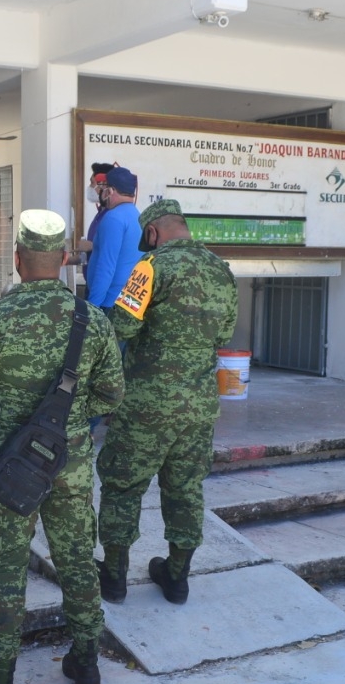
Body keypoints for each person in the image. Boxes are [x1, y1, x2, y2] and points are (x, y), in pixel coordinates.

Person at [0, 209, 124, 684]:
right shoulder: (92, 320)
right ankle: (86, 661)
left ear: (18, 260)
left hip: (11, 469)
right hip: (69, 465)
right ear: (66, 259)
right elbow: (112, 394)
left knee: (7, 571)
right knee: (76, 562)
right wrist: (71, 425)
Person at [96, 199, 238, 605]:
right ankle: (177, 578)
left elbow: (122, 324)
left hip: (145, 406)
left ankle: (115, 576)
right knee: (185, 490)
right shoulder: (222, 271)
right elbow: (224, 334)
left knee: (123, 488)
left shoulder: (151, 267)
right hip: (197, 408)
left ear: (154, 232)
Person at [83, 165, 143, 311]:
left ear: (110, 191)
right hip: (127, 300)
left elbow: (106, 266)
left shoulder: (114, 218)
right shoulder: (137, 215)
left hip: (108, 302)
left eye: (104, 188)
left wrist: (93, 308)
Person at [68, 162, 115, 267]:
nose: (90, 187)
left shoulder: (112, 216)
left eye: (92, 182)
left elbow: (114, 248)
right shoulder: (100, 214)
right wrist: (66, 259)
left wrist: (92, 246)